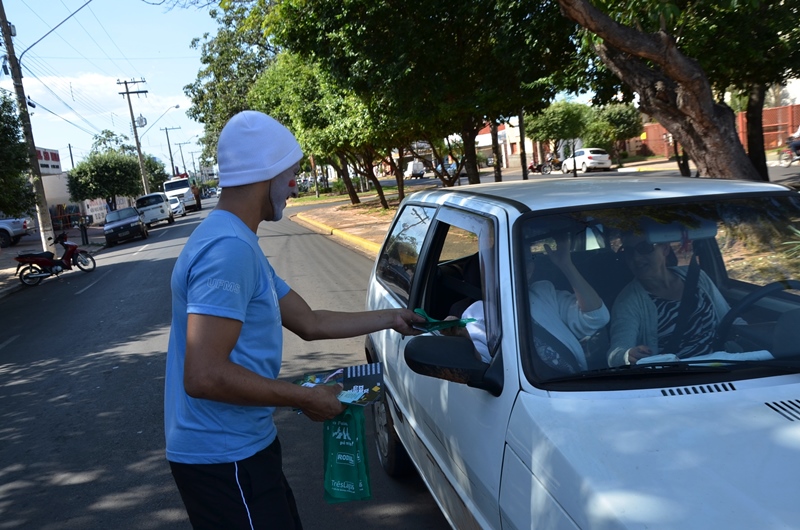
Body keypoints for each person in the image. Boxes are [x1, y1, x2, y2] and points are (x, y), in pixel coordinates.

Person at [164, 110, 424, 529]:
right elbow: (204, 375)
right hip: (224, 458)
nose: (294, 184)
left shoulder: (238, 241)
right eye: (290, 173)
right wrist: (303, 397)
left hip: (245, 447)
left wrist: (392, 317)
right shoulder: (227, 250)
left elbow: (310, 320)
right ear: (262, 173)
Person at [445, 234, 609, 373]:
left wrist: (567, 265)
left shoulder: (543, 292)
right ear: (489, 272)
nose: (527, 267)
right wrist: (464, 340)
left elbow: (597, 317)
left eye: (529, 260)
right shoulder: (478, 313)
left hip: (575, 381)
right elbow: (484, 364)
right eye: (513, 261)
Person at [607, 231, 738, 366]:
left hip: (724, 366)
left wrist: (754, 331)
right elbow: (616, 353)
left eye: (644, 248)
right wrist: (627, 355)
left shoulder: (696, 276)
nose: (636, 258)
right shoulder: (628, 301)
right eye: (628, 252)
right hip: (678, 375)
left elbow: (729, 319)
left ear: (665, 249)